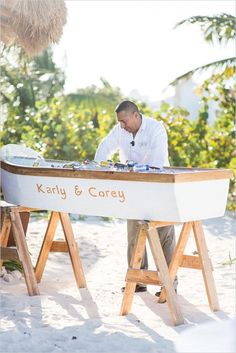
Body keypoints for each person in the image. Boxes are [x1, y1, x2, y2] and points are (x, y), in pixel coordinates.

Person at [94, 100, 177, 295]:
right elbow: (104, 147)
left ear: (136, 116)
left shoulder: (156, 129)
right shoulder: (120, 130)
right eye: (119, 122)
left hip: (159, 187)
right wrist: (97, 168)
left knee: (164, 235)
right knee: (134, 235)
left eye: (124, 121)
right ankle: (138, 281)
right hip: (133, 188)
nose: (122, 125)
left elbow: (157, 163)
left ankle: (170, 283)